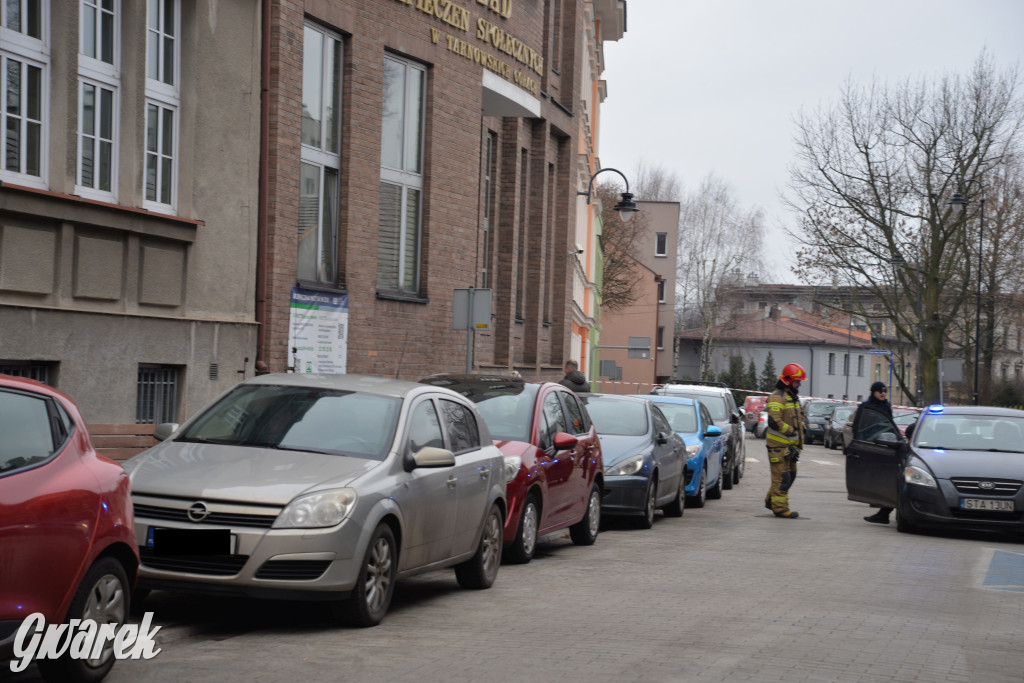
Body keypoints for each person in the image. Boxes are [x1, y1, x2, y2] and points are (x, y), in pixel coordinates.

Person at [763, 363, 806, 519]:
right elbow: (774, 421)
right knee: (782, 478)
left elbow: (797, 419)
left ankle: (771, 500)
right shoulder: (778, 396)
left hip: (790, 447)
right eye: (797, 381)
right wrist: (792, 430)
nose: (799, 384)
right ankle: (780, 508)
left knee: (791, 475)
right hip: (778, 447)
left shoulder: (792, 397)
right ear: (788, 380)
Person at [859, 381, 896, 524]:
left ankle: (881, 508)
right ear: (873, 392)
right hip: (870, 444)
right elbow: (859, 426)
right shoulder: (866, 407)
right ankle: (876, 501)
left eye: (885, 391)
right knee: (872, 475)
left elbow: (890, 425)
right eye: (880, 391)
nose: (883, 393)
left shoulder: (886, 407)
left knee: (884, 477)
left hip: (886, 445)